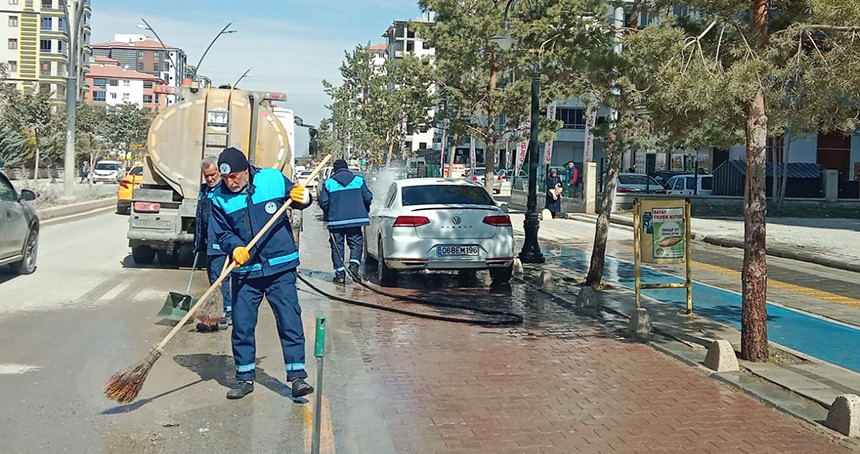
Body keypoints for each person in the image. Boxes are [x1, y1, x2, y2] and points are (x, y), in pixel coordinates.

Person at [209, 147, 314, 400]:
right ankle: (245, 377)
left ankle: (297, 376)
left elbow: (298, 200)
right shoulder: (218, 198)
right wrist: (234, 247)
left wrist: (304, 198)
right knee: (242, 325)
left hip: (281, 266)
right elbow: (221, 233)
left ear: (246, 170)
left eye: (234, 176)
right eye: (225, 178)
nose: (230, 182)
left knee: (289, 320)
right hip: (246, 271)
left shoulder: (272, 179)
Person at [193, 156, 232, 332]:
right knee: (213, 279)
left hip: (221, 243)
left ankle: (224, 314)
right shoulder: (204, 191)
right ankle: (219, 313)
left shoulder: (224, 191)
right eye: (206, 175)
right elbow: (201, 218)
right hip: (209, 242)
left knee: (219, 280)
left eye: (212, 174)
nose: (209, 179)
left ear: (219, 171)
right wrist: (199, 241)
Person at [318, 159, 373, 284]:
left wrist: (331, 212)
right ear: (347, 168)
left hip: (336, 221)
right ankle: (354, 266)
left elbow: (323, 202)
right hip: (356, 220)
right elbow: (368, 197)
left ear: (335, 169)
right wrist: (363, 208)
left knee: (337, 247)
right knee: (356, 244)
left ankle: (340, 275)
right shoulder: (359, 181)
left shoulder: (329, 183)